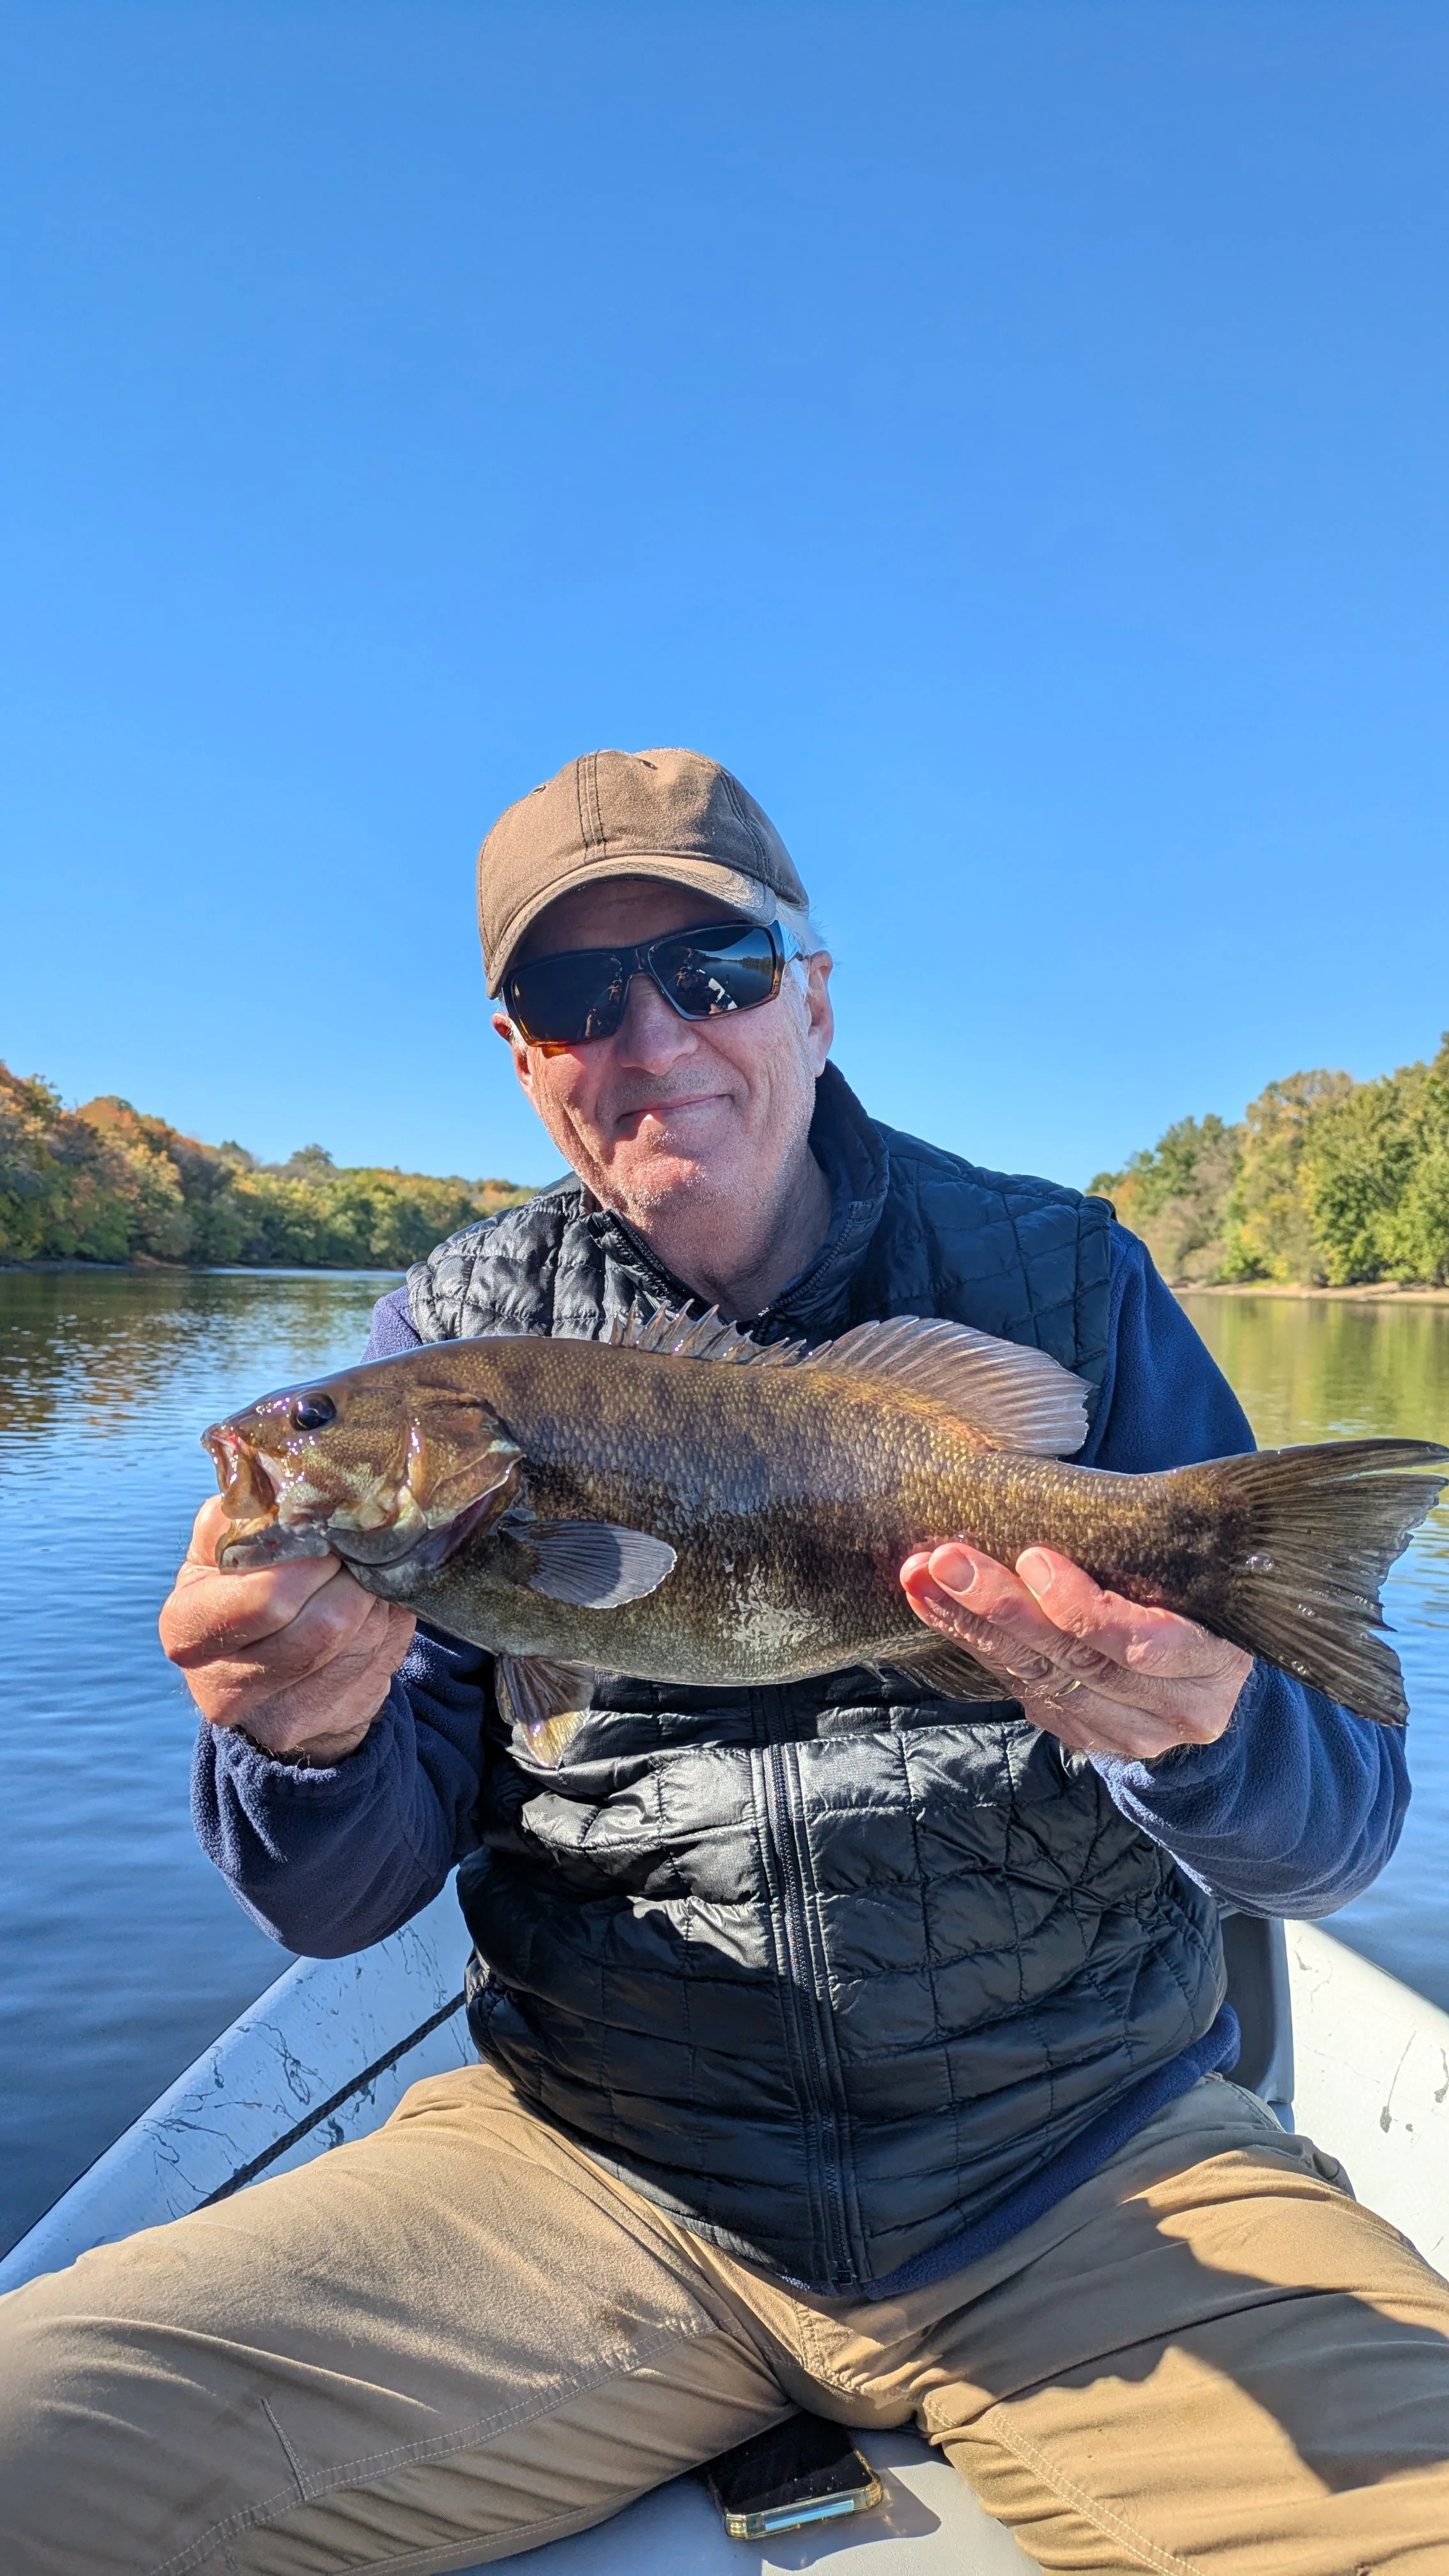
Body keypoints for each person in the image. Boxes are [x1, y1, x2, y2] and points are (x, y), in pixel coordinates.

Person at [1, 746, 1446, 2576]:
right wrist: (291, 1733)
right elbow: (343, 1905)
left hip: (1093, 2165)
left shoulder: (1060, 1278)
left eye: (715, 969)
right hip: (592, 2181)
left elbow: (1324, 1845)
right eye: (571, 997)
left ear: (812, 995)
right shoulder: (449, 1338)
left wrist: (1199, 1730)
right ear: (520, 1054)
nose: (652, 1033)